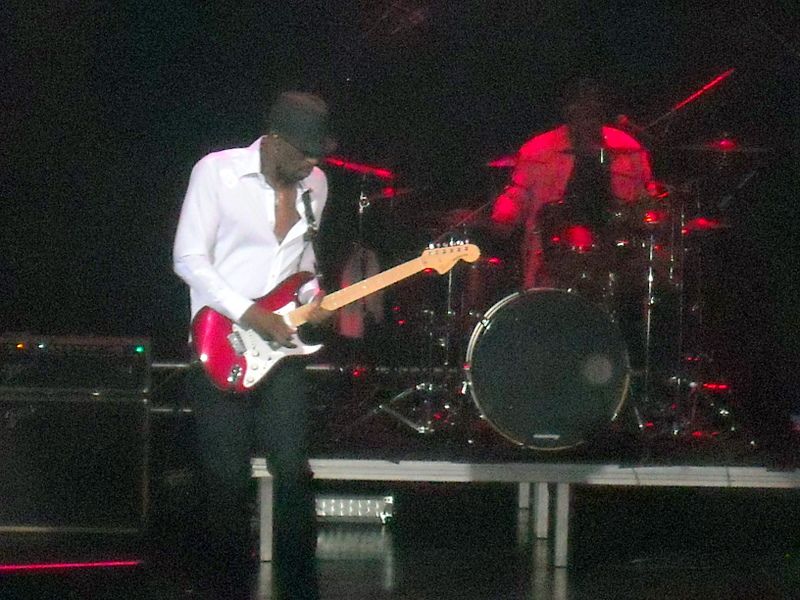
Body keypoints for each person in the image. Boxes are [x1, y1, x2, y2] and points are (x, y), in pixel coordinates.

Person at [173, 91, 334, 599]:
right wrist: (250, 313)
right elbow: (188, 258)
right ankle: (226, 585)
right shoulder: (216, 173)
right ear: (274, 140)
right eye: (304, 153)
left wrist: (312, 297)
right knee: (226, 478)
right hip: (220, 340)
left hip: (280, 349)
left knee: (293, 469)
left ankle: (299, 584)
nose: (311, 163)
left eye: (317, 155)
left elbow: (301, 263)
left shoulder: (315, 185)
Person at [490, 78, 656, 294]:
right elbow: (516, 197)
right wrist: (498, 218)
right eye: (581, 105)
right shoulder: (539, 149)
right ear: (569, 110)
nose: (588, 112)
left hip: (616, 262)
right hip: (553, 263)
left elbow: (647, 202)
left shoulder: (629, 149)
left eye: (594, 105)